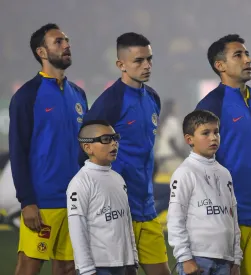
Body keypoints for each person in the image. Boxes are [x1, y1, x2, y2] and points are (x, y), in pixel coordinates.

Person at [82, 32, 170, 275]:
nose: (147, 65)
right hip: (116, 210)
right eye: (139, 61)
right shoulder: (111, 101)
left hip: (146, 206)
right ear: (121, 64)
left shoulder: (152, 97)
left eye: (149, 59)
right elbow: (85, 146)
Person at [9, 23, 87, 275]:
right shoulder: (27, 96)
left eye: (67, 40)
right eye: (58, 42)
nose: (66, 45)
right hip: (43, 202)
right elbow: (18, 151)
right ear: (41, 52)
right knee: (28, 268)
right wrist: (27, 201)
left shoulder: (79, 94)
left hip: (75, 200)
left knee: (67, 268)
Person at [195, 34, 251, 275]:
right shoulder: (211, 105)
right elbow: (202, 164)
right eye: (238, 55)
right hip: (227, 219)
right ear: (220, 65)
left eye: (247, 54)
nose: (247, 59)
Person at [167, 110, 242, 275]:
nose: (213, 137)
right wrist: (185, 258)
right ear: (189, 139)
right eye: (205, 133)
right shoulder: (185, 172)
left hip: (225, 260)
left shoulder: (224, 173)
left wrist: (236, 258)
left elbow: (233, 217)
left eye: (216, 132)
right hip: (197, 259)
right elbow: (175, 219)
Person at [67, 120, 138, 275]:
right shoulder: (80, 182)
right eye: (106, 139)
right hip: (98, 267)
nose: (114, 144)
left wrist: (133, 258)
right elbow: (77, 228)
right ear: (88, 147)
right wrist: (86, 270)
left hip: (123, 264)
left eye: (115, 138)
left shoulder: (118, 178)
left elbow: (126, 222)